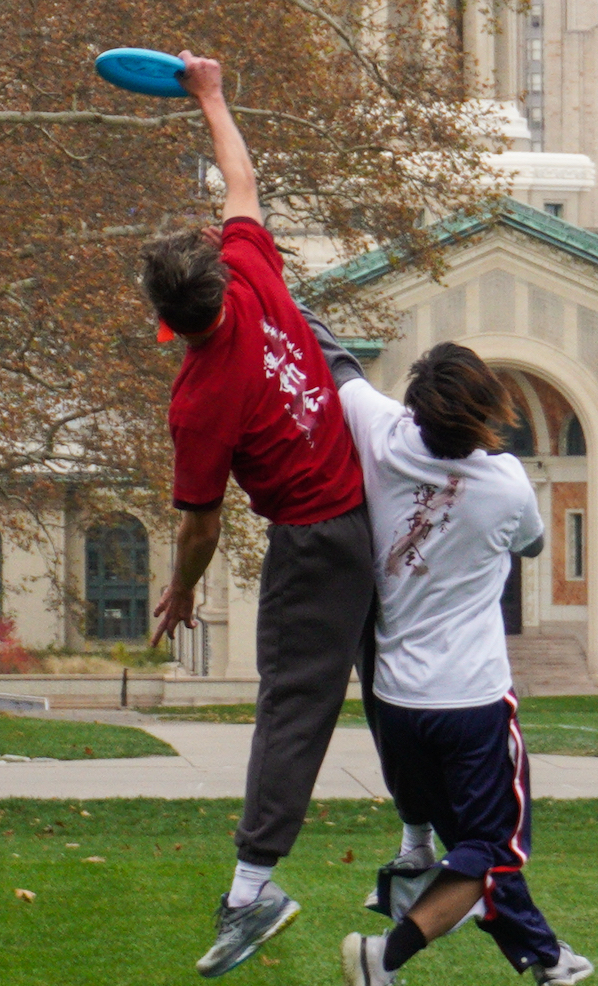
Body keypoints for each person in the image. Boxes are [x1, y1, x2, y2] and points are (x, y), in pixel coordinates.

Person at [140, 52, 375, 978]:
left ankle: (251, 890)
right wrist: (210, 92)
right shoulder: (250, 267)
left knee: (293, 706)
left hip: (319, 539)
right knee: (399, 674)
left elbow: (200, 523)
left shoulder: (198, 398)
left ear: (166, 318)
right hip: (368, 492)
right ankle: (424, 841)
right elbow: (240, 176)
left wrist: (181, 590)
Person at [303, 320, 595, 986]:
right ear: (490, 411)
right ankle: (384, 958)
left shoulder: (382, 435)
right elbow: (533, 547)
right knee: (491, 852)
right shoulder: (508, 483)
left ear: (416, 408)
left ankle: (550, 960)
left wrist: (258, 275)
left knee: (468, 848)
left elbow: (336, 364)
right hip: (472, 703)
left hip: (398, 704)